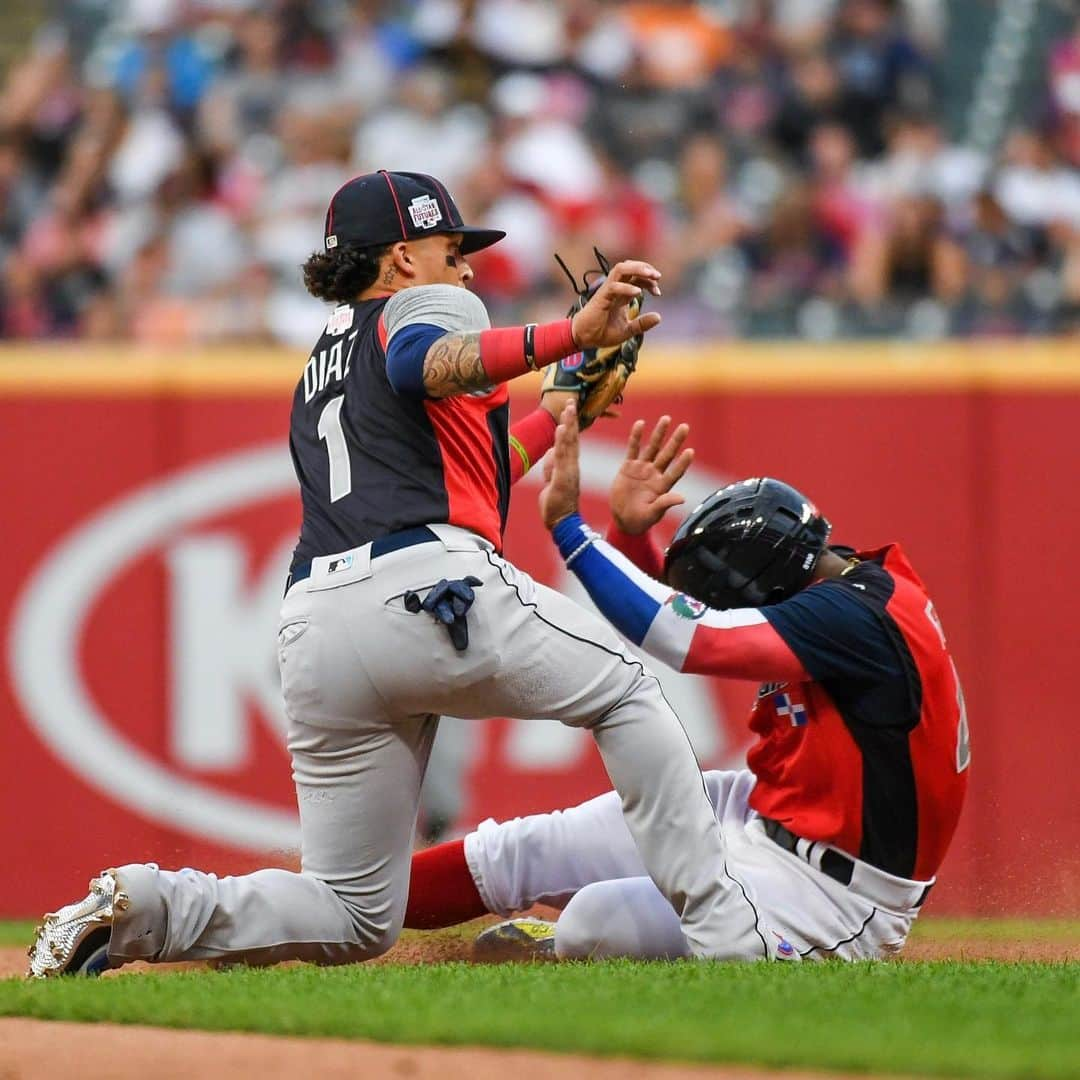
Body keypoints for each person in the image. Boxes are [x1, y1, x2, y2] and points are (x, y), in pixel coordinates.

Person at [29, 171, 785, 978]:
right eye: (449, 250)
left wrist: (566, 408)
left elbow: (475, 478)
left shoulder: (320, 366)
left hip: (318, 627)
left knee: (352, 914)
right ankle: (729, 939)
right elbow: (422, 362)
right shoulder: (422, 309)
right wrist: (568, 335)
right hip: (425, 588)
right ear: (398, 259)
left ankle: (142, 906)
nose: (464, 270)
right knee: (629, 692)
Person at [404, 411, 970, 961]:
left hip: (834, 894)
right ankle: (339, 907)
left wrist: (573, 535)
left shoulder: (858, 618)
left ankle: (576, 949)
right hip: (758, 812)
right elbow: (698, 618)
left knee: (592, 921)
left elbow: (698, 638)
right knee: (520, 851)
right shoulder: (837, 585)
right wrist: (628, 536)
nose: (733, 610)